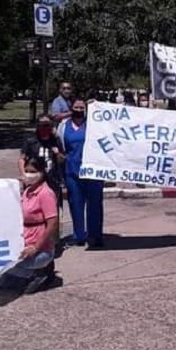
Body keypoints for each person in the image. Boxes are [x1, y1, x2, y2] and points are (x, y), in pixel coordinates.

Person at [58, 97, 105, 248]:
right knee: (75, 204)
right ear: (71, 109)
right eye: (76, 108)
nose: (79, 111)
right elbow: (60, 148)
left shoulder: (94, 124)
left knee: (95, 205)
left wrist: (98, 105)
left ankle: (95, 236)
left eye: (82, 108)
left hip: (93, 172)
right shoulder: (63, 126)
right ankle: (79, 235)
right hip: (72, 171)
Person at [9, 156, 59, 294]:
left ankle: (41, 273)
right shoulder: (27, 191)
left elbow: (52, 223)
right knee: (3, 273)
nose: (28, 175)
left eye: (32, 171)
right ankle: (31, 273)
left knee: (10, 270)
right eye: (26, 171)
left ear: (42, 172)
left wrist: (36, 247)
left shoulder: (45, 194)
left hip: (41, 249)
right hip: (25, 241)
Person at [19, 113, 64, 204]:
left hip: (52, 180)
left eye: (47, 125)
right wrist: (24, 174)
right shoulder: (31, 141)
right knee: (32, 206)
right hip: (34, 180)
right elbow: (22, 159)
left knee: (52, 208)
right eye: (41, 125)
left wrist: (58, 154)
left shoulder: (55, 140)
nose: (44, 127)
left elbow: (62, 160)